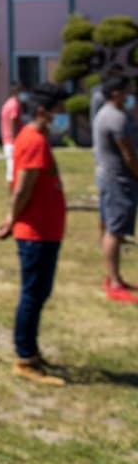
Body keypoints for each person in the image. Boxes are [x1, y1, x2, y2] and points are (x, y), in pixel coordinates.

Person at [0, 83, 71, 385]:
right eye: (59, 112)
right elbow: (23, 187)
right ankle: (24, 357)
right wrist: (11, 219)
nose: (63, 117)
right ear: (43, 112)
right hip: (36, 234)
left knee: (39, 293)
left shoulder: (36, 138)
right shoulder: (34, 141)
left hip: (46, 231)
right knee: (32, 294)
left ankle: (32, 351)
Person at [91, 76, 138, 304]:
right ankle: (114, 283)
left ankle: (114, 276)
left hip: (109, 178)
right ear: (116, 93)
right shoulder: (116, 118)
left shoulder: (105, 113)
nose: (130, 94)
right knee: (115, 230)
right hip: (118, 180)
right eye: (127, 90)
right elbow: (128, 155)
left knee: (112, 227)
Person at [0, 82, 24, 184]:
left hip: (7, 141)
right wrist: (16, 140)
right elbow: (13, 120)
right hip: (12, 141)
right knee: (13, 171)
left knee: (11, 169)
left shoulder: (7, 103)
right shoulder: (15, 105)